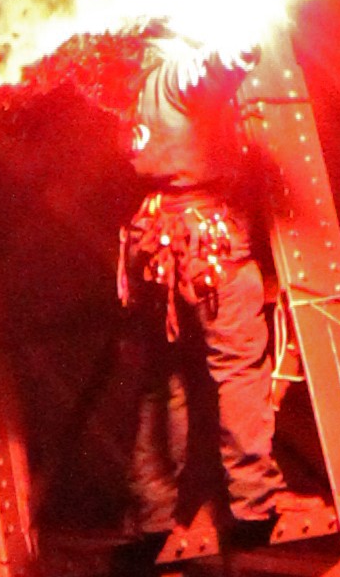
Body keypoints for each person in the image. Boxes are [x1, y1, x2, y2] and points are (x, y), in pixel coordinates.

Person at [113, 34, 287, 569]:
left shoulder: (129, 85)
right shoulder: (176, 73)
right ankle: (254, 503)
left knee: (161, 384)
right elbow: (210, 68)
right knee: (238, 367)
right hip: (209, 240)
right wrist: (239, 44)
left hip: (153, 240)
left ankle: (153, 512)